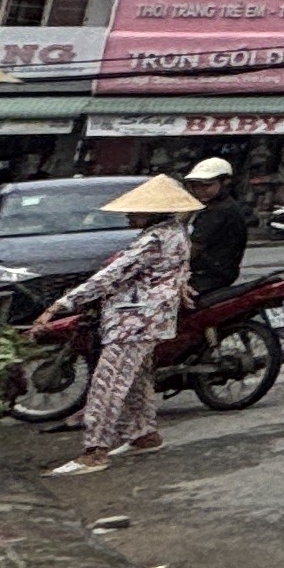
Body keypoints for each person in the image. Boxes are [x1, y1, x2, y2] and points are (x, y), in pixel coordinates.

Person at [53, 175, 199, 472]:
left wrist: (62, 304)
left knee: (108, 384)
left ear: (152, 212)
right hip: (146, 319)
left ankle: (95, 450)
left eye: (134, 211)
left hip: (135, 322)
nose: (129, 215)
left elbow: (111, 276)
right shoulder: (174, 232)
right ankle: (144, 434)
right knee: (136, 380)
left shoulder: (155, 240)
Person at [181, 156, 251, 302]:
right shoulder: (215, 207)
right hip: (214, 274)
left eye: (207, 186)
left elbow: (195, 247)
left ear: (225, 182)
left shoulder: (220, 211)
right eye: (196, 186)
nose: (200, 190)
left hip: (208, 277)